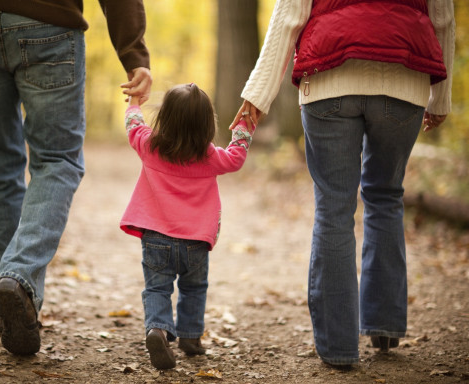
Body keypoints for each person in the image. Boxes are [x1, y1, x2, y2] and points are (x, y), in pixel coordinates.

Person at [230, 0, 455, 367]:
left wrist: (258, 96)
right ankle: (384, 326)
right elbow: (443, 19)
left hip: (329, 76)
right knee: (386, 197)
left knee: (334, 208)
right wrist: (439, 97)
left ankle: (338, 347)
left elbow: (289, 14)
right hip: (404, 81)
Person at [0, 1, 152, 356]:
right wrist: (134, 54)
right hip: (48, 24)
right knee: (57, 161)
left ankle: (7, 306)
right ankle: (18, 278)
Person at [121, 83, 255, 369]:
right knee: (194, 289)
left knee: (157, 289)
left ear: (165, 118)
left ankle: (157, 329)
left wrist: (134, 101)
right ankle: (191, 338)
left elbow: (133, 124)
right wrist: (245, 123)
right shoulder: (209, 157)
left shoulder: (149, 145)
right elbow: (236, 156)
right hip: (195, 242)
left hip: (155, 238)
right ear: (207, 125)